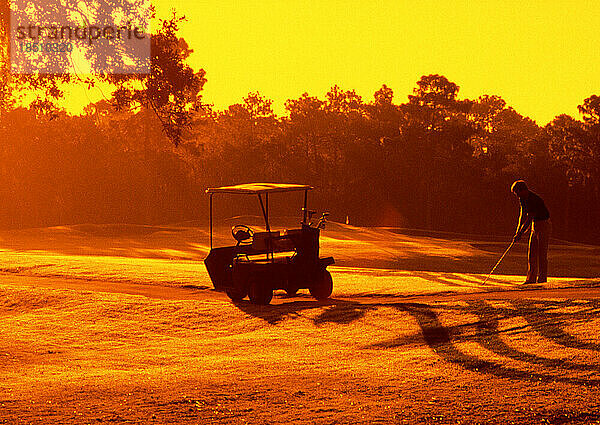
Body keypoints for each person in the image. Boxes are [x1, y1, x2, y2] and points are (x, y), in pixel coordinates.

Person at [511, 180, 551, 284]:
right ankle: (531, 279)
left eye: (517, 193)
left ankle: (542, 280)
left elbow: (529, 218)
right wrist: (517, 231)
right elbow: (523, 215)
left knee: (542, 254)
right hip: (535, 225)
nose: (517, 196)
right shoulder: (522, 199)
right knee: (532, 253)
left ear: (523, 190)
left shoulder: (534, 199)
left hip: (543, 224)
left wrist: (521, 233)